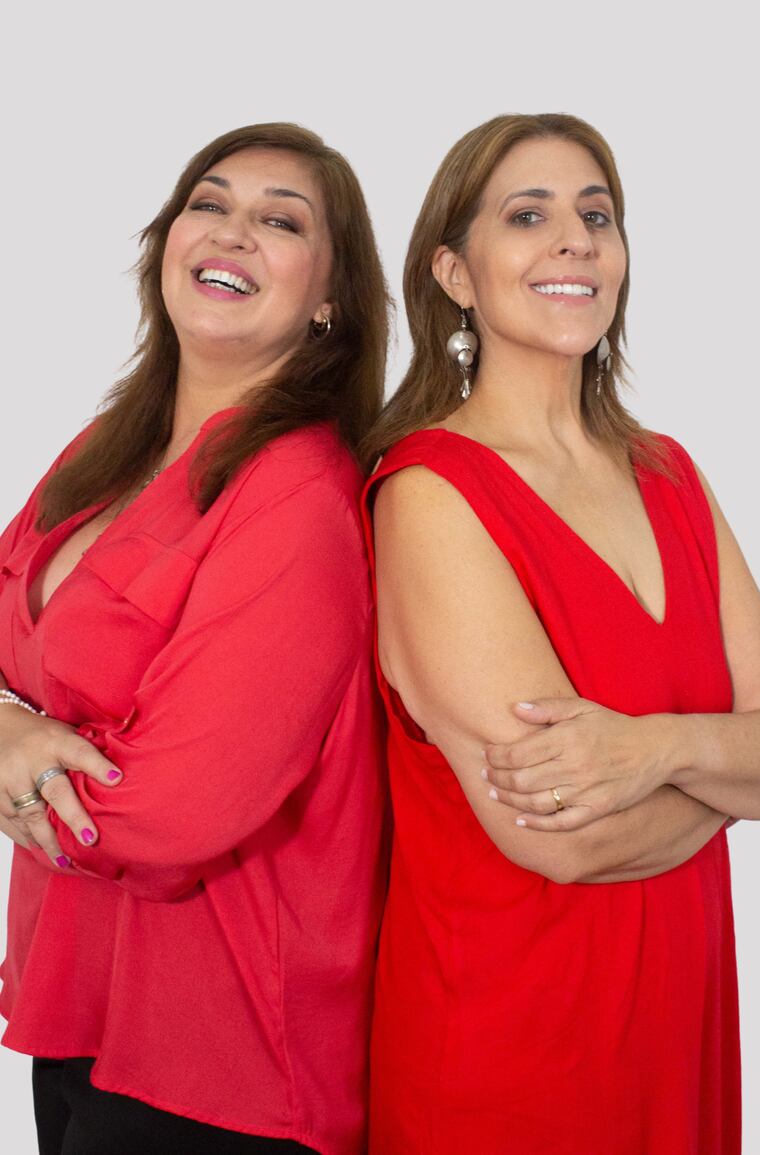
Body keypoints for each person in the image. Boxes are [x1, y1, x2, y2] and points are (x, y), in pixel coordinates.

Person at [360, 113, 760, 1154]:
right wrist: (733, 771)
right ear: (454, 273)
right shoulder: (429, 494)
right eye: (526, 216)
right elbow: (565, 837)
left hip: (675, 1029)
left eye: (596, 215)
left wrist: (655, 749)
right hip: (510, 1054)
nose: (574, 240)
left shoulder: (671, 475)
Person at [0, 122, 389, 1155]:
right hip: (74, 997)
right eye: (208, 203)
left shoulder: (300, 497)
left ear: (331, 299)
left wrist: (17, 765)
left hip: (218, 1054)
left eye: (281, 221)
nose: (232, 231)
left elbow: (174, 810)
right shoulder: (108, 451)